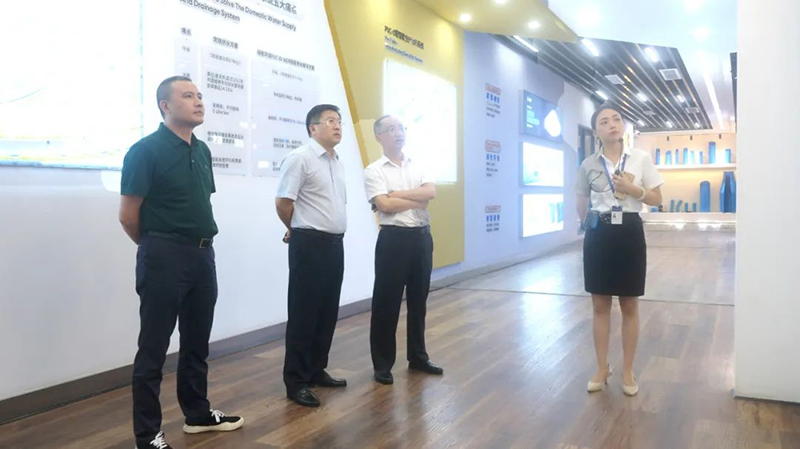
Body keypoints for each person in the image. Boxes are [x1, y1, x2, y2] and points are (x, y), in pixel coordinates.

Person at [119, 76, 244, 449]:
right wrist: (157, 246)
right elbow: (128, 215)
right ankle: (148, 435)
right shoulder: (145, 151)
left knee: (196, 342)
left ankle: (197, 414)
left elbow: (199, 202)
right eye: (188, 96)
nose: (198, 101)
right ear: (165, 106)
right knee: (154, 348)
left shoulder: (201, 150)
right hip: (163, 254)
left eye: (200, 96)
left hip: (203, 254)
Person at [575, 103, 664, 396]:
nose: (612, 124)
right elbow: (581, 200)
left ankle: (627, 369)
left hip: (629, 231)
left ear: (623, 125)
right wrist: (587, 225)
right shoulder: (588, 164)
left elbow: (657, 198)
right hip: (598, 233)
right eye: (604, 121)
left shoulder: (640, 158)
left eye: (616, 119)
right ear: (596, 131)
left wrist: (633, 190)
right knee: (599, 304)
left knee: (629, 304)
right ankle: (602, 367)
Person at [275, 104, 348, 407]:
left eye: (339, 121)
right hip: (309, 243)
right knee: (304, 313)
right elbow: (283, 202)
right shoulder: (300, 158)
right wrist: (295, 228)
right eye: (330, 121)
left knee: (327, 311)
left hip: (334, 244)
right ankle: (296, 381)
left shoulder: (336, 161)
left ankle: (316, 370)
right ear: (313, 128)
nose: (337, 125)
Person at [363, 115, 442, 386]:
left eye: (401, 128)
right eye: (391, 129)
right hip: (393, 240)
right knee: (386, 303)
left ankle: (418, 357)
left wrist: (395, 194)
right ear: (379, 137)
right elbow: (384, 206)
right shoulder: (374, 170)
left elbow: (429, 194)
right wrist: (411, 197)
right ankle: (382, 364)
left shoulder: (419, 164)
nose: (398, 132)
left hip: (421, 238)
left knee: (419, 301)